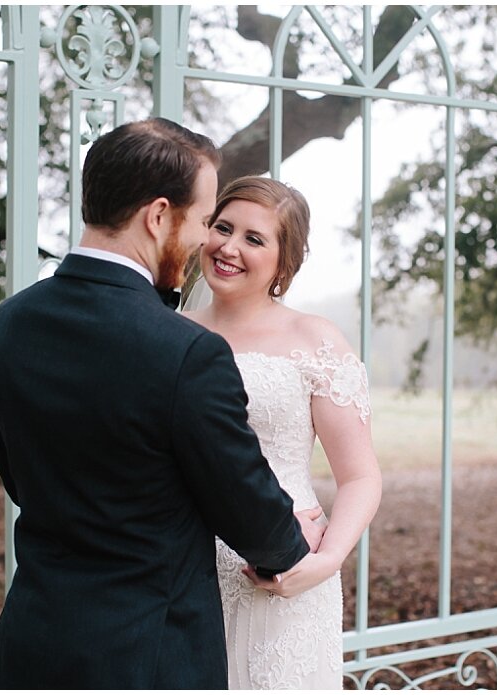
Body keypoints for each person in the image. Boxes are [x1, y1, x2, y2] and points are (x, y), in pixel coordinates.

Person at [0, 118, 325, 689]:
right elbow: (247, 512)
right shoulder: (187, 351)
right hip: (149, 656)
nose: (205, 241)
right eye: (205, 220)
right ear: (160, 216)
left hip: (35, 648)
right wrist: (290, 538)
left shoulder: (7, 324)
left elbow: (21, 481)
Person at [183, 176, 382, 689]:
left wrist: (326, 560)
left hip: (284, 572)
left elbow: (360, 476)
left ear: (283, 261)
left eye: (254, 238)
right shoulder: (175, 330)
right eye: (222, 228)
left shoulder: (313, 339)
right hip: (184, 567)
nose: (229, 247)